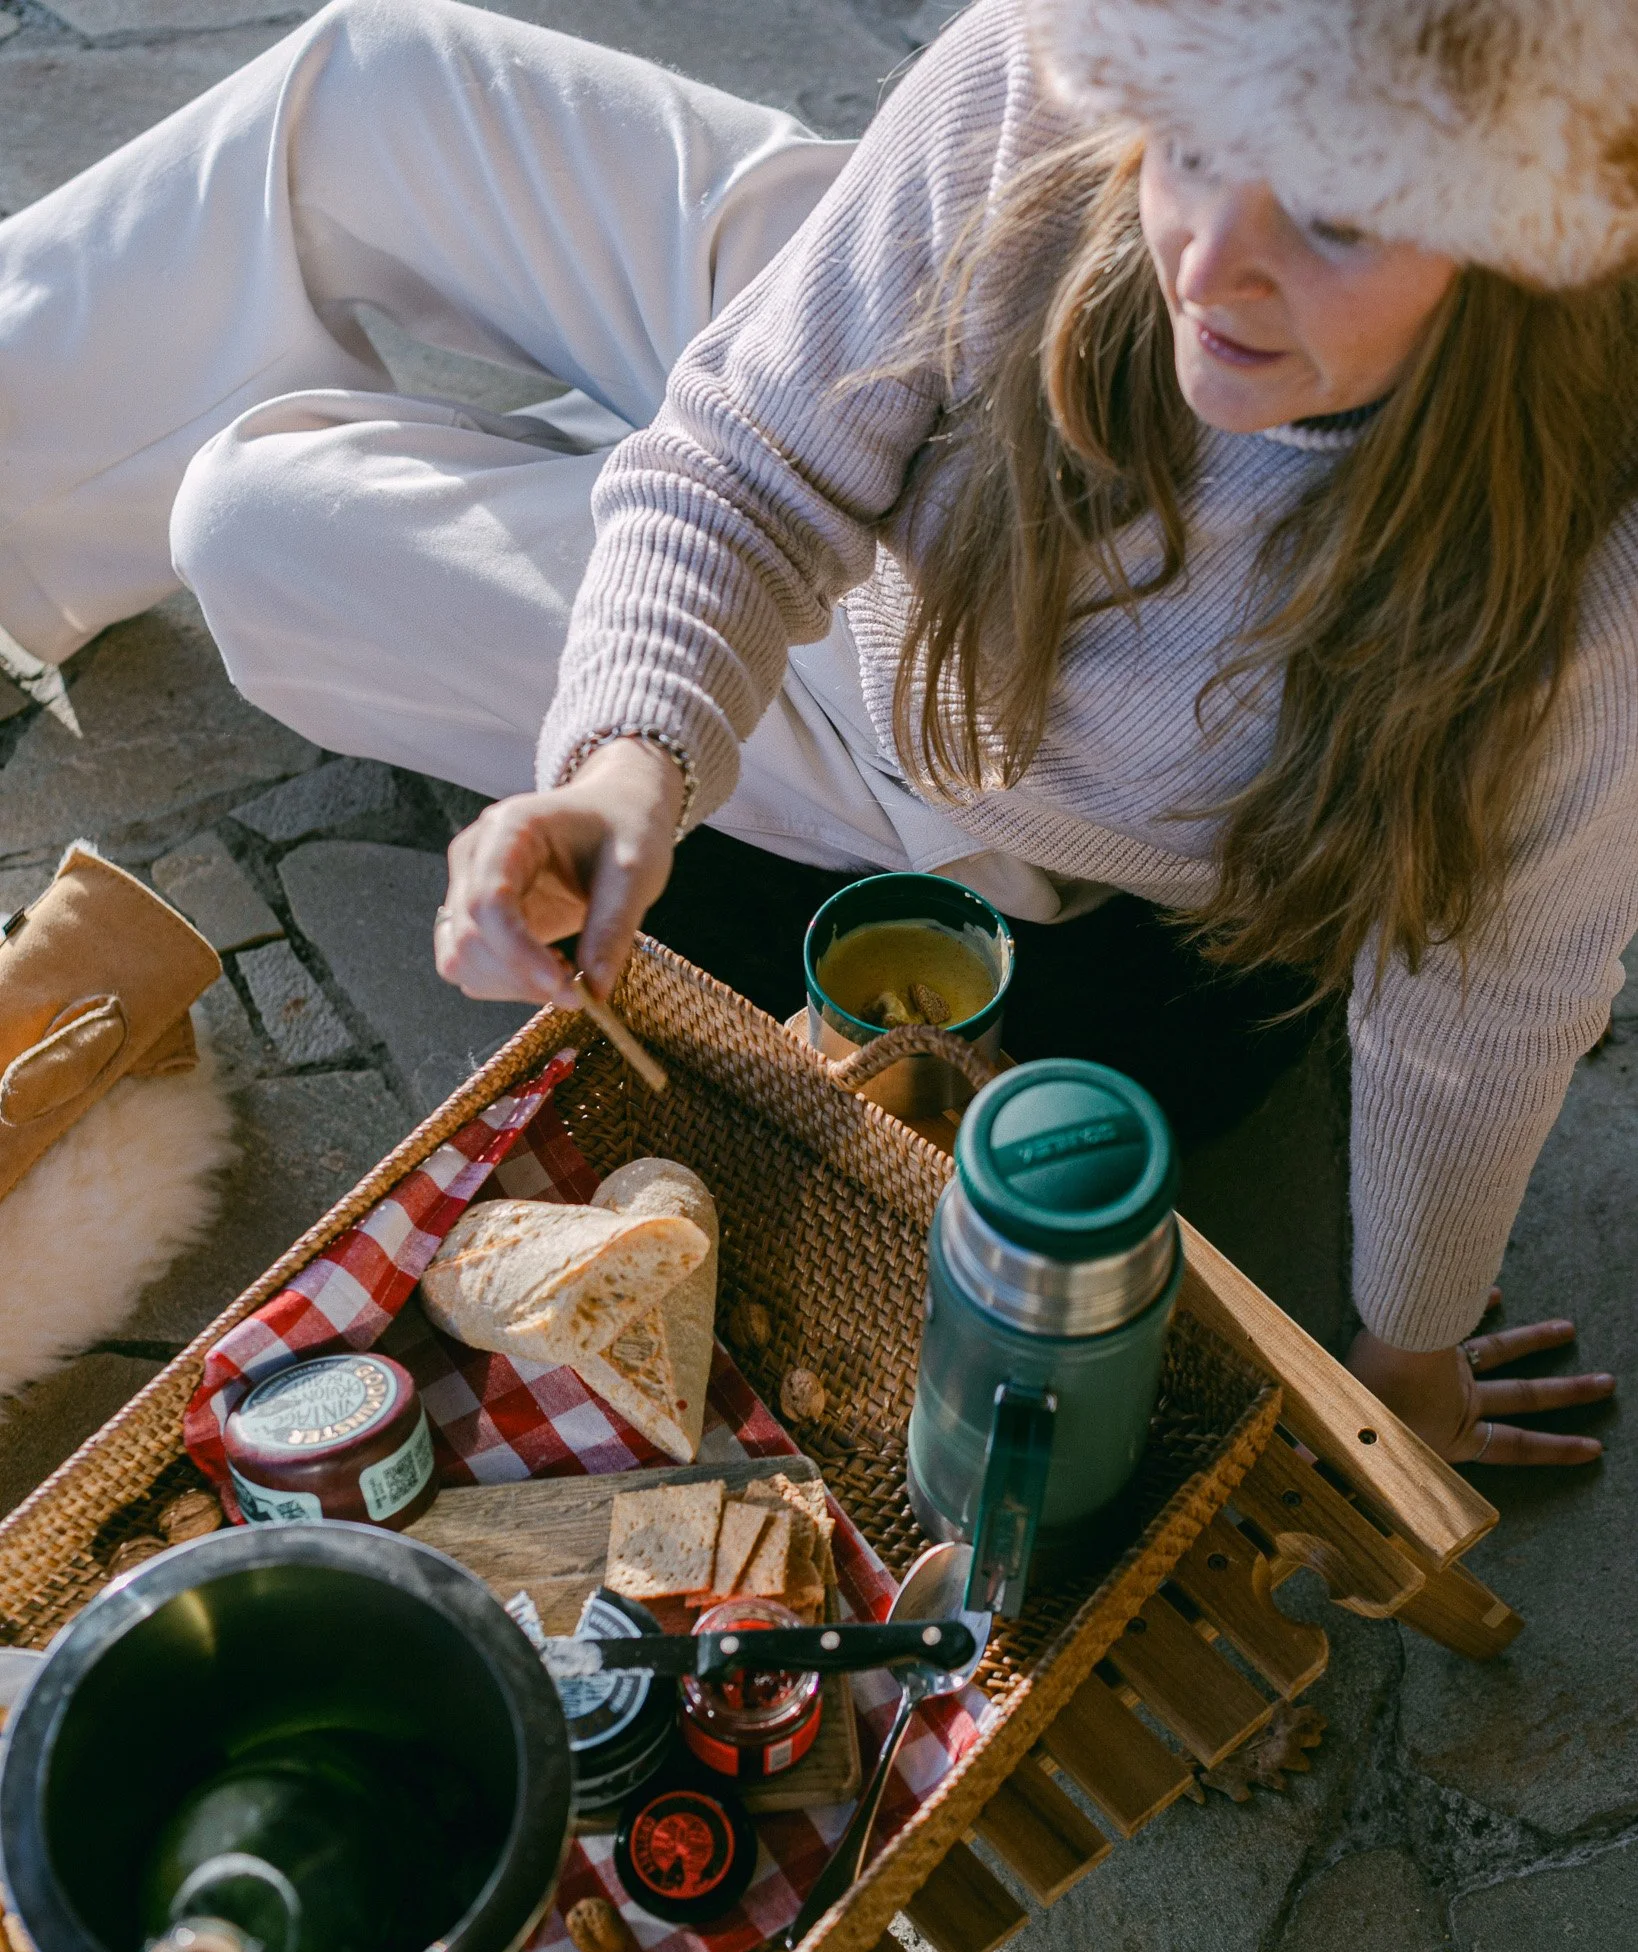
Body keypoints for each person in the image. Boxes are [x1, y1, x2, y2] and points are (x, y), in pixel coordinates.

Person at [2, 0, 1632, 1468]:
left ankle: (586, 479)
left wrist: (1405, 1349)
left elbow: (1485, 993)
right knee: (364, 93)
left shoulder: (1588, 577)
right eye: (1190, 148)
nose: (1203, 262)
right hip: (939, 404)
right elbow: (749, 458)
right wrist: (628, 758)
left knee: (257, 523)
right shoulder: (1063, 81)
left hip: (958, 743)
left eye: (1336, 214)